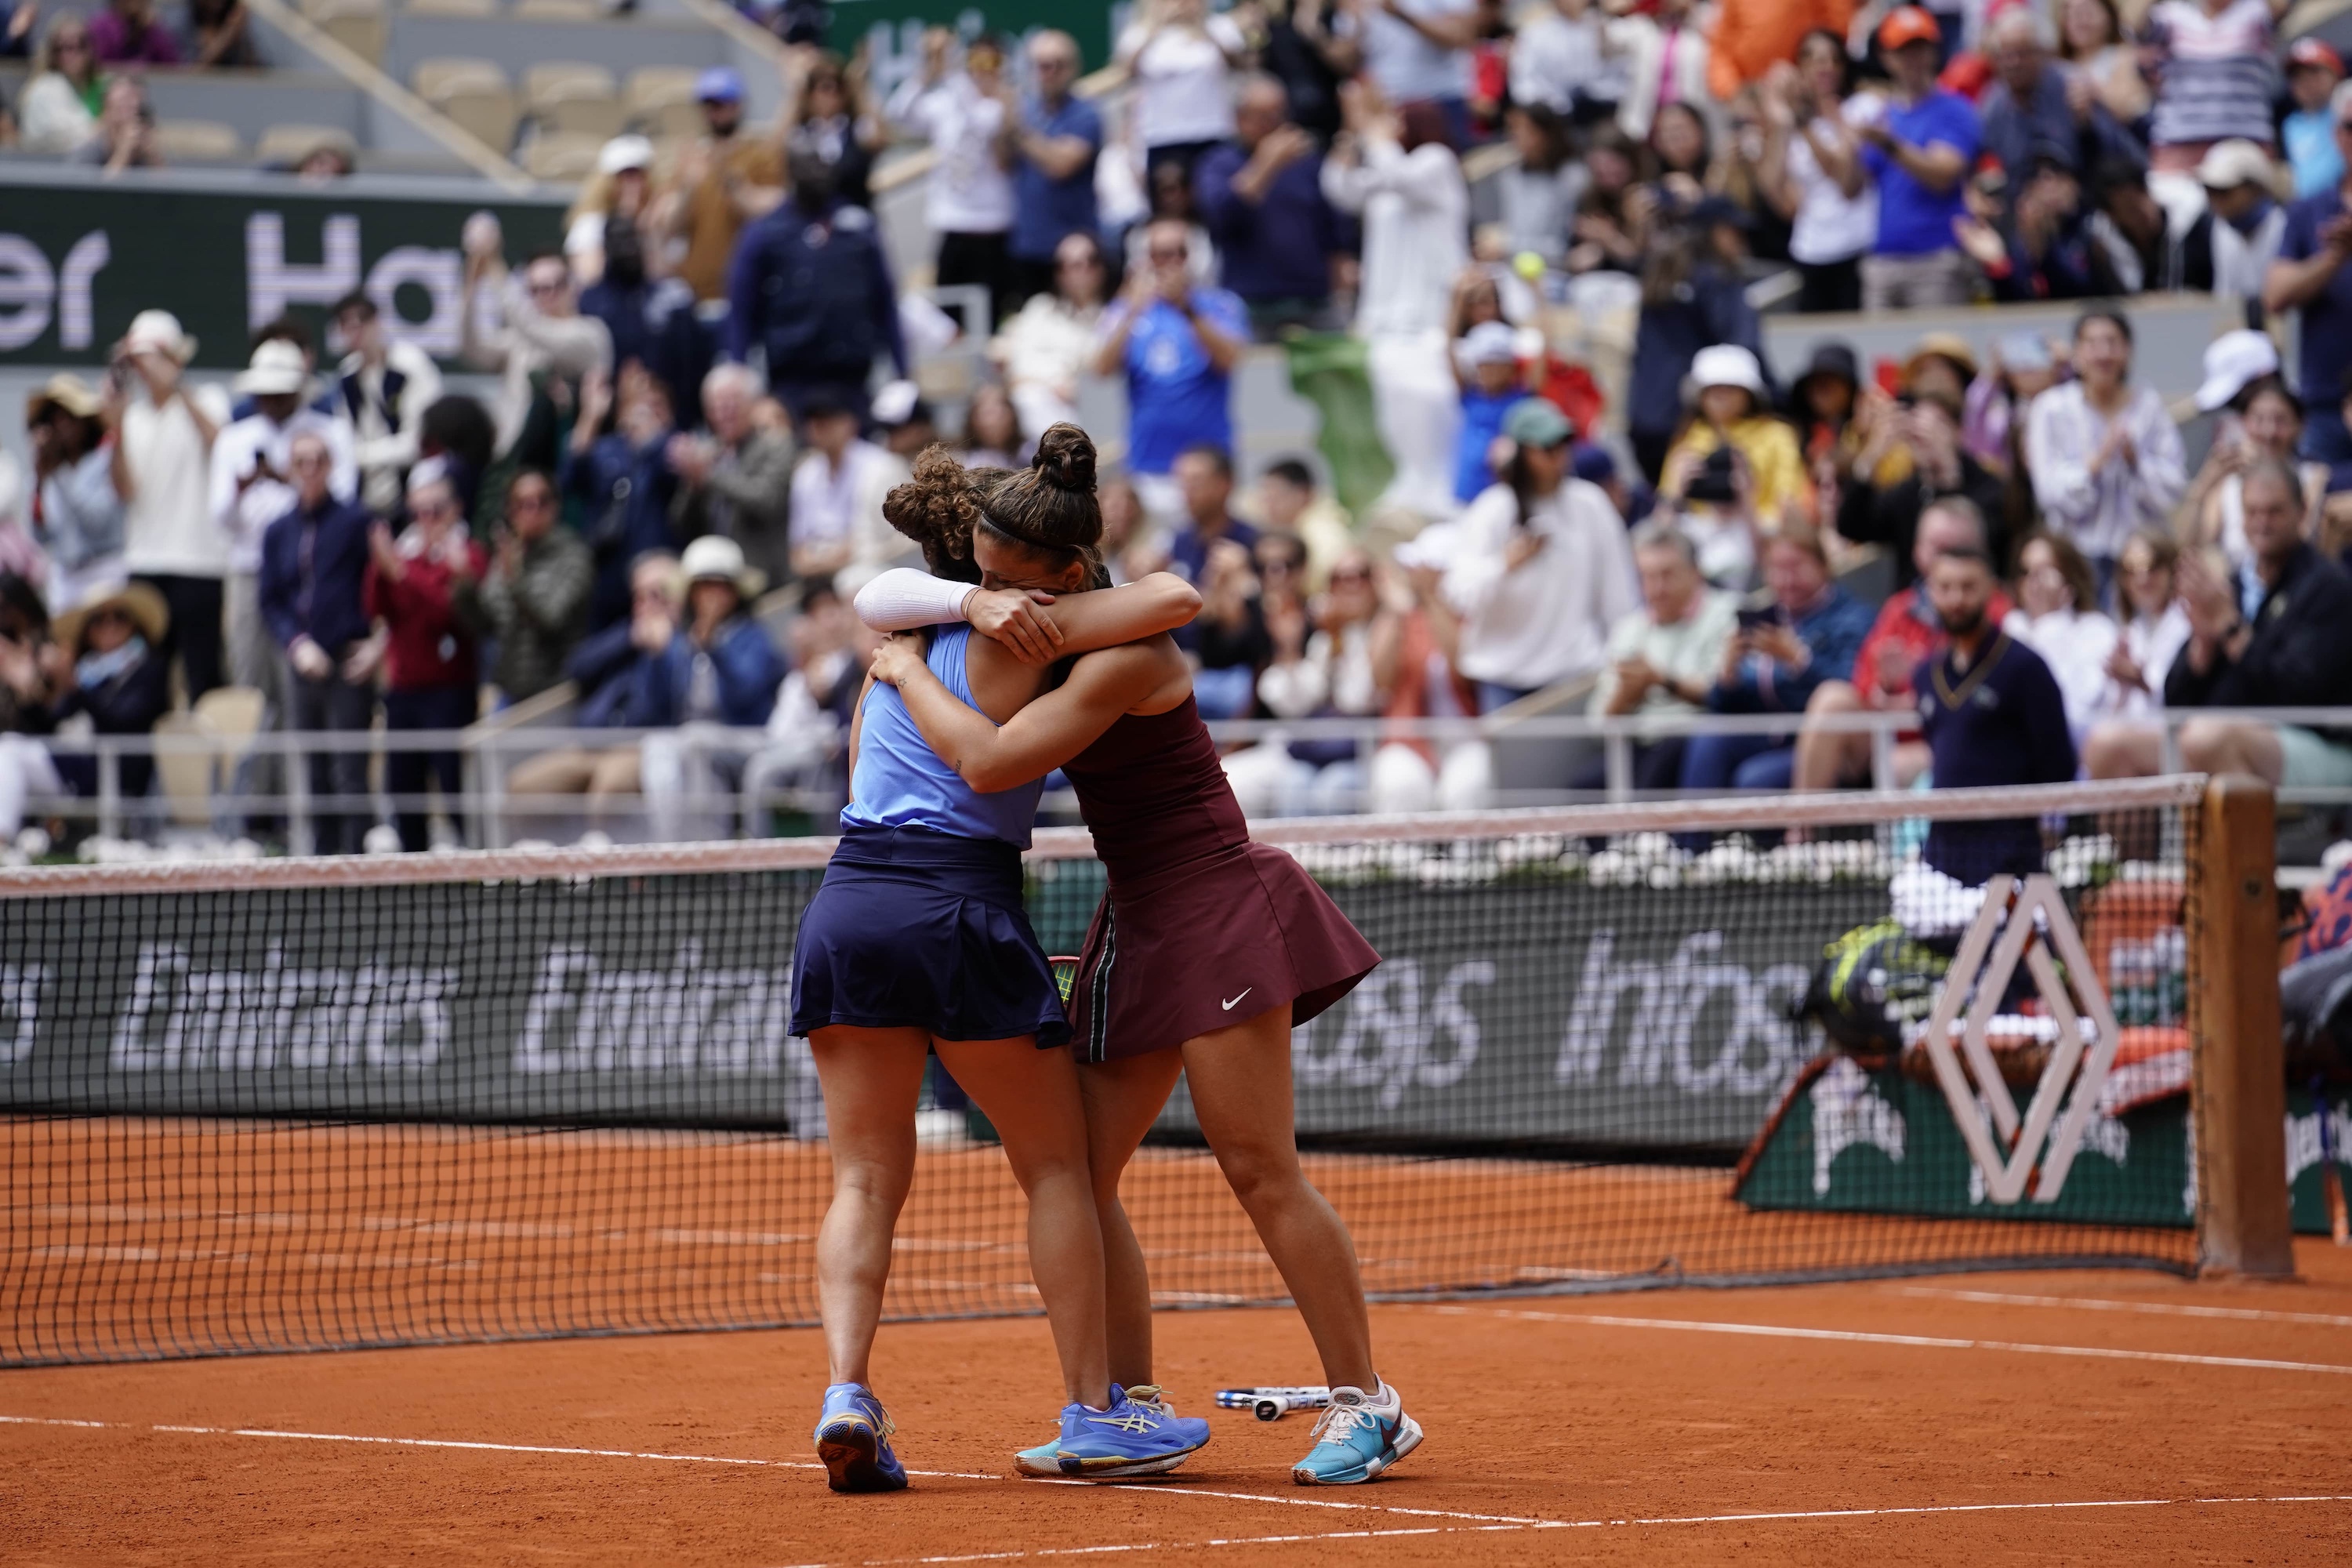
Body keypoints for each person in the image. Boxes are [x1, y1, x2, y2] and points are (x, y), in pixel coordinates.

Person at [854, 429, 1414, 1489]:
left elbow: (988, 762)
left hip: (1216, 903)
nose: (1005, 610)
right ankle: (1127, 1410)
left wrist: (900, 672)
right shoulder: (1026, 619)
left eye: (1023, 596)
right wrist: (963, 606)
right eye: (987, 586)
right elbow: (889, 596)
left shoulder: (1129, 655)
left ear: (1067, 585)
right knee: (1076, 1170)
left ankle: (1368, 1403)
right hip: (1143, 913)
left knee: (1258, 1167)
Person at [794, 432, 1213, 1490]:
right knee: (1060, 1167)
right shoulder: (1032, 627)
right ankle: (1095, 1410)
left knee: (864, 1177)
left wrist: (950, 613)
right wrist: (1002, 609)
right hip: (960, 903)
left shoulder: (889, 647)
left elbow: (871, 646)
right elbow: (1171, 601)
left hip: (850, 899)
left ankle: (849, 1388)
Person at [1792, 497, 2012, 793]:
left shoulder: (1997, 612)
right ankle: (1802, 833)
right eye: (1935, 546)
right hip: (1890, 732)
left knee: (1898, 765)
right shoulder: (1900, 608)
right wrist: (1885, 689)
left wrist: (1919, 701)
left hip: (1961, 738)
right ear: (1918, 551)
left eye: (1954, 547)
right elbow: (1866, 685)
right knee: (1832, 700)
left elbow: (1991, 697)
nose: (1942, 559)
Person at [1321, 90, 1469, 519]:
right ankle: (1409, 483)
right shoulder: (1389, 176)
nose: (1390, 130)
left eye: (1398, 122)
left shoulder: (1436, 162)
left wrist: (1378, 138)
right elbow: (1343, 191)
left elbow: (1402, 176)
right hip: (1386, 316)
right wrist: (1350, 144)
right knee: (1391, 401)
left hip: (1432, 315)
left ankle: (1441, 490)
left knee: (1431, 399)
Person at [1443, 397, 1633, 712]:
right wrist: (1504, 563)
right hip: (1503, 678)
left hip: (1574, 673)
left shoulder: (1591, 504)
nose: (1558, 458)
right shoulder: (1491, 510)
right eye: (1547, 449)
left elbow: (1618, 593)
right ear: (1521, 454)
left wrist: (1622, 652)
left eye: (1563, 446)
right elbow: (1458, 593)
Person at [1913, 544, 2078, 885]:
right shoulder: (1925, 675)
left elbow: (2059, 762)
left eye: (1968, 587)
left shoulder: (2026, 667)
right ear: (1930, 591)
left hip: (2009, 857)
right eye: (1945, 588)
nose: (1957, 599)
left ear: (1991, 588)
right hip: (1941, 858)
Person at [212, 339, 356, 719]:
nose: (272, 401)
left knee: (301, 679)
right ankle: (260, 779)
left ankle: (301, 778)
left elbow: (343, 500)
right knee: (252, 680)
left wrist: (286, 479)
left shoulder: (330, 432)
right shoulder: (234, 438)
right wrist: (241, 489)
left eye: (281, 392)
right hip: (249, 567)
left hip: (307, 571)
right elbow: (220, 518)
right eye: (265, 393)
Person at [1679, 525, 1871, 793]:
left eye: (1795, 567)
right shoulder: (1765, 618)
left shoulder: (1852, 618)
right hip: (1768, 735)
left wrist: (1799, 660)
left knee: (1755, 779)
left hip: (1820, 743)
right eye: (1777, 569)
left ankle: (1798, 834)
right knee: (1708, 739)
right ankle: (1692, 834)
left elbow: (1849, 689)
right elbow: (1726, 707)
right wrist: (1728, 675)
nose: (1786, 580)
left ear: (1823, 565)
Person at [259, 431, 378, 855]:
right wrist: (296, 643)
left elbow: (381, 586)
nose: (309, 471)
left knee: (349, 769)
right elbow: (270, 598)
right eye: (300, 462)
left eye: (317, 461)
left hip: (347, 660)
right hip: (302, 663)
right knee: (314, 770)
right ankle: (323, 863)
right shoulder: (277, 531)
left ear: (329, 466)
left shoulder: (356, 522)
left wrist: (375, 645)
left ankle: (355, 861)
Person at [503, 552, 682, 829]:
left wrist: (665, 649)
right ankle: (545, 868)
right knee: (523, 786)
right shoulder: (626, 634)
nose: (646, 604)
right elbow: (577, 668)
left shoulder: (684, 645)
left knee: (608, 790)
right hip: (591, 743)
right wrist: (630, 639)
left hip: (640, 747)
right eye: (639, 596)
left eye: (657, 594)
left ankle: (606, 871)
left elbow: (671, 704)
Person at [727, 153, 905, 423]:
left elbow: (885, 299)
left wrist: (902, 369)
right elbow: (741, 304)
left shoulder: (858, 225)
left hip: (852, 376)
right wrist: (738, 369)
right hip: (792, 377)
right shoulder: (765, 231)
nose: (815, 175)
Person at [1092, 217, 1249, 520]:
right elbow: (1101, 368)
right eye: (1158, 254)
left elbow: (1230, 359)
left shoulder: (1220, 304)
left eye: (1178, 252)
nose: (1169, 262)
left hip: (1210, 469)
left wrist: (1187, 308)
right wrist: (1132, 309)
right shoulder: (1128, 309)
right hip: (1148, 468)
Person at [2026, 309, 2187, 597]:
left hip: (2140, 562)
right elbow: (2047, 491)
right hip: (2073, 559)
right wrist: (2095, 464)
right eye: (2092, 344)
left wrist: (2135, 461)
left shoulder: (2148, 407)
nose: (2103, 354)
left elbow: (2175, 487)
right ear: (2076, 352)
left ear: (2128, 351)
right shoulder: (2050, 409)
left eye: (2112, 343)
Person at [111, 310, 229, 702]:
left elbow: (221, 445)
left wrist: (176, 386)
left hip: (199, 563)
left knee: (204, 678)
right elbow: (125, 490)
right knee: (147, 685)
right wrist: (113, 425)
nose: (142, 370)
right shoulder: (131, 417)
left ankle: (214, 764)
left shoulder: (207, 398)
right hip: (144, 564)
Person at [365, 468, 485, 851]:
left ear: (455, 510)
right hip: (403, 689)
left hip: (449, 689)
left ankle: (473, 859)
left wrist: (398, 573)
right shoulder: (406, 553)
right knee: (403, 786)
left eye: (436, 510)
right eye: (419, 511)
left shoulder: (469, 556)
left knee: (454, 784)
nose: (428, 520)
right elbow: (375, 605)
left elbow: (445, 613)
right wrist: (383, 569)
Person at [1584, 524, 1734, 791]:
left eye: (1667, 575)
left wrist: (1660, 680)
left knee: (1662, 764)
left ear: (1695, 572)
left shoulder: (1727, 614)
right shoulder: (1629, 629)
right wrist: (1626, 694)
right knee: (1581, 789)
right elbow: (1597, 724)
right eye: (1647, 577)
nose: (1657, 588)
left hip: (1695, 742)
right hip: (1636, 745)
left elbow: (1723, 691)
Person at [1195, 74, 1346, 338]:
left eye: (1280, 114)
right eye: (1264, 116)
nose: (1274, 124)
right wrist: (1267, 164)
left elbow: (1333, 226)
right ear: (1240, 118)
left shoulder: (1308, 162)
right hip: (1250, 304)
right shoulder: (1218, 163)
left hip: (1313, 302)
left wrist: (1340, 283)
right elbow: (1223, 216)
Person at [891, 30, 1018, 329]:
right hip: (953, 224)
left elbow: (997, 144)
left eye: (993, 61)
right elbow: (899, 113)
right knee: (949, 319)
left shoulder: (1007, 104)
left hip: (995, 227)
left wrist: (994, 96)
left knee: (994, 319)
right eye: (977, 60)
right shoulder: (947, 100)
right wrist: (929, 71)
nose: (985, 69)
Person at [1858, 7, 1981, 310]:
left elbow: (1942, 175)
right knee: (1880, 353)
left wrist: (1889, 144)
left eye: (1920, 48)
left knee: (1938, 349)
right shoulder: (1880, 114)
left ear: (1934, 51)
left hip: (1937, 259)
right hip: (1884, 259)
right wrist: (1839, 126)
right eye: (1903, 50)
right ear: (1886, 58)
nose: (1913, 59)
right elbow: (1853, 185)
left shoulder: (1955, 110)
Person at [459, 230, 614, 463]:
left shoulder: (591, 333)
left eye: (556, 285)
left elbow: (535, 329)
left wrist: (494, 263)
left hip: (562, 464)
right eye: (537, 289)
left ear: (573, 285)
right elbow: (471, 349)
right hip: (512, 460)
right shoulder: (520, 338)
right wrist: (472, 281)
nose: (547, 295)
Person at [1836, 387, 2009, 592]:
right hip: (1913, 609)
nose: (1927, 436)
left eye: (1938, 425)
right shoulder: (1908, 491)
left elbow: (1991, 534)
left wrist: (1947, 469)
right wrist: (1871, 456)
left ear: (1958, 431)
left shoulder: (1989, 487)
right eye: (1920, 428)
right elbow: (1851, 525)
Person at [1755, 31, 1875, 314]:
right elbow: (1776, 193)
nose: (1826, 68)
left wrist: (1806, 122)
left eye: (1834, 60)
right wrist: (1782, 123)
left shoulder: (1861, 109)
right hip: (1810, 250)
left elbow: (1847, 185)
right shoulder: (1792, 125)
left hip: (1857, 246)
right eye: (1815, 60)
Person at [454, 469, 591, 706]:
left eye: (542, 501)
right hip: (509, 691)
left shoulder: (574, 557)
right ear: (510, 510)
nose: (532, 510)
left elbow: (552, 620)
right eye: (522, 503)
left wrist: (515, 581)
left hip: (556, 692)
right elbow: (487, 625)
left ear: (555, 506)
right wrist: (464, 587)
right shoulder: (508, 556)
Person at [2268, 86, 2352, 469]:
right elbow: (2275, 296)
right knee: (2323, 516)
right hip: (2326, 402)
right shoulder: (2308, 211)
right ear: (2337, 135)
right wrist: (2335, 258)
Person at [1976, 9, 2142, 193]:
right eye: (2004, 55)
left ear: (2042, 53)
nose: (2013, 63)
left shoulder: (2073, 85)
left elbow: (2122, 155)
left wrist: (2086, 125)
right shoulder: (1993, 103)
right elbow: (1982, 162)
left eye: (2022, 53)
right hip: (2025, 203)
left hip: (2087, 194)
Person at [657, 66, 785, 305]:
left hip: (750, 290)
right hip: (697, 291)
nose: (712, 113)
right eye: (707, 106)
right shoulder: (692, 158)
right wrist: (688, 187)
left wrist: (728, 178)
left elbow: (772, 210)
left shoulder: (760, 154)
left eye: (719, 105)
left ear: (737, 105)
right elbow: (668, 227)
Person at [565, 367, 680, 632]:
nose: (647, 412)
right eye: (640, 404)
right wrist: (590, 416)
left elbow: (671, 480)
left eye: (657, 405)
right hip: (609, 572)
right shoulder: (607, 448)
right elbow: (571, 477)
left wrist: (652, 438)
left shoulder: (674, 447)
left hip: (658, 569)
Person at [46, 578, 171, 811]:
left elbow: (123, 720)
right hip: (83, 768)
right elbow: (53, 720)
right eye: (99, 620)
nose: (110, 625)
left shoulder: (150, 667)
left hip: (128, 771)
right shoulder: (85, 671)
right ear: (87, 632)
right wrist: (42, 685)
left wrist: (76, 688)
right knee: (12, 747)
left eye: (120, 617)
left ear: (134, 624)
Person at [2179, 376, 2326, 570]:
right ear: (2244, 423)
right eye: (2259, 419)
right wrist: (2203, 485)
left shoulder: (2314, 477)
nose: (2269, 432)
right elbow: (2191, 547)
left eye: (2280, 420)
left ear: (2299, 425)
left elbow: (2305, 539)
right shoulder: (2228, 481)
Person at [668, 362, 793, 591]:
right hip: (718, 583)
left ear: (753, 406)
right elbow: (681, 523)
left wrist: (709, 474)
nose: (724, 412)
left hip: (767, 580)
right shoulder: (709, 452)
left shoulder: (775, 446)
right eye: (716, 405)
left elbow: (767, 501)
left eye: (733, 403)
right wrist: (693, 484)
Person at [1660, 344, 1803, 532]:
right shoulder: (1687, 438)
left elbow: (1789, 501)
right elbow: (1663, 516)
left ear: (1750, 394)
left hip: (1762, 536)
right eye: (1712, 388)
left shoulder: (1777, 435)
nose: (1720, 394)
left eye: (1731, 388)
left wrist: (1746, 496)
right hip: (1696, 538)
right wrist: (1676, 492)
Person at [1007, 31, 1102, 310]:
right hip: (1026, 245)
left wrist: (1019, 132)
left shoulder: (1086, 114)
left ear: (1073, 68)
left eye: (1058, 64)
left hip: (1075, 252)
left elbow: (1061, 165)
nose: (1050, 72)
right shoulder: (1025, 110)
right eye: (1043, 65)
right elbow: (1002, 162)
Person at [329, 291, 442, 517]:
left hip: (414, 485)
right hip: (366, 492)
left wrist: (358, 455)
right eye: (346, 324)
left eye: (362, 320)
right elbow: (345, 434)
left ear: (377, 322)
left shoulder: (410, 366)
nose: (355, 330)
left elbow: (420, 441)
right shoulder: (347, 374)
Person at [992, 230, 1111, 441]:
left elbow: (1101, 379)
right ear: (1059, 272)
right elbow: (1017, 370)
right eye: (1069, 264)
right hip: (1033, 404)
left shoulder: (1113, 317)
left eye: (1089, 261)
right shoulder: (1039, 309)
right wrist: (1052, 385)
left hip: (1085, 412)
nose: (1081, 270)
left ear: (1101, 268)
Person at [2006, 528, 2120, 742]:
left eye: (2043, 571)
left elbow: (2076, 707)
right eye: (2025, 571)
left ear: (2069, 578)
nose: (2033, 582)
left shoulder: (2097, 630)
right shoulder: (2011, 627)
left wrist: (2050, 622)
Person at [2142, 0, 2280, 172]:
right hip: (2179, 149)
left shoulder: (2257, 11)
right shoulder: (2170, 14)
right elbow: (2134, 25)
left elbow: (2280, 7)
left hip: (2246, 145)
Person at [24, 375, 124, 614]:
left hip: (104, 569)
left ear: (85, 422)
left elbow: (98, 524)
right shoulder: (46, 471)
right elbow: (40, 536)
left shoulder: (104, 462)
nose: (62, 426)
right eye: (53, 420)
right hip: (64, 575)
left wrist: (58, 478)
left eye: (68, 417)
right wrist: (40, 480)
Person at [1116, 0, 1248, 180]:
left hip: (1212, 131)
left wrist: (1202, 26)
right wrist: (1156, 27)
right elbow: (1126, 73)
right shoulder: (1139, 32)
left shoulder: (1219, 26)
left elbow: (1240, 65)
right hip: (1161, 135)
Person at [788, 397, 911, 582]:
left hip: (875, 569)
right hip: (817, 575)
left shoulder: (881, 465)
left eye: (827, 421)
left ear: (849, 423)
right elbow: (798, 550)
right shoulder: (805, 473)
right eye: (814, 422)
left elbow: (889, 538)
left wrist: (845, 554)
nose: (819, 428)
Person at [1330, 0, 1479, 146]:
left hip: (1443, 100)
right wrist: (1358, 24)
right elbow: (1345, 66)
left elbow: (1460, 37)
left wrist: (1401, 13)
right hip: (1389, 110)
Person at [2181, 140, 2287, 306]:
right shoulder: (2213, 229)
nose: (2216, 201)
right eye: (2210, 191)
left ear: (2255, 188)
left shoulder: (2285, 226)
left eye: (2223, 191)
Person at [2101, 529, 2190, 721]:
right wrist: (2123, 685)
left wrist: (2142, 683)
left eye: (2153, 567)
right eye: (2131, 570)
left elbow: (2187, 696)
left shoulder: (2189, 624)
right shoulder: (2130, 632)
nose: (2143, 579)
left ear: (2173, 570)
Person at [781, 51, 883, 213]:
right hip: (811, 222)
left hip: (855, 219)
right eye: (823, 88)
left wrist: (859, 88)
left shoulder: (856, 129)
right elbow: (774, 149)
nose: (830, 96)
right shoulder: (801, 133)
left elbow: (880, 138)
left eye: (837, 88)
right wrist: (797, 92)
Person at [1708, 0, 1849, 103]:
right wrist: (1733, 91)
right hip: (1755, 98)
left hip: (1811, 96)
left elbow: (1837, 25)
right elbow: (1721, 47)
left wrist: (1819, 70)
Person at [1450, 321, 1523, 506]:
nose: (1492, 372)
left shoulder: (1519, 398)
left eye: (1499, 365)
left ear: (1511, 368)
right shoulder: (1470, 396)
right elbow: (1449, 349)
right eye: (1487, 365)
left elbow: (1541, 365)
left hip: (1500, 495)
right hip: (1466, 492)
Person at [1509, 0, 1615, 122]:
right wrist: (1558, 105)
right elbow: (1524, 86)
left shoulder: (1606, 28)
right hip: (1555, 119)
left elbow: (1620, 76)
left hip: (1602, 113)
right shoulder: (1535, 35)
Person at [17, 14, 100, 153]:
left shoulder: (99, 88)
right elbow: (71, 137)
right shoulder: (45, 88)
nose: (71, 53)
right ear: (52, 53)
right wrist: (107, 126)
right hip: (51, 170)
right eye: (63, 47)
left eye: (80, 45)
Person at [2058, 0, 2150, 127]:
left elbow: (2134, 109)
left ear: (2108, 16)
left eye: (2086, 12)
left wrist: (2095, 93)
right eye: (2070, 12)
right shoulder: (2057, 67)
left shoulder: (2124, 56)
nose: (2078, 20)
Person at [2285, 39, 2345, 200]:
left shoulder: (2346, 106)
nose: (2307, 82)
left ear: (2335, 72)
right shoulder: (2291, 126)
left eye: (2314, 72)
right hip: (2314, 210)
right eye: (2298, 77)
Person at [75, 74, 158, 174]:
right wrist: (124, 151)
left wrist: (153, 156)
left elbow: (166, 185)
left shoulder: (143, 148)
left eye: (135, 106)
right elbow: (99, 188)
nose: (132, 104)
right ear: (106, 112)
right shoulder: (90, 150)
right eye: (121, 104)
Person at [87, 0, 176, 64]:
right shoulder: (102, 26)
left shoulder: (153, 30)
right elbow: (101, 64)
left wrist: (152, 31)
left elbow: (172, 66)